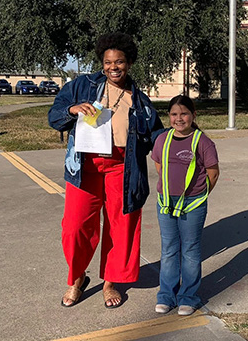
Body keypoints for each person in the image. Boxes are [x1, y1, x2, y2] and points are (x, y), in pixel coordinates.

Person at [48, 32, 163, 309]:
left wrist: (180, 150)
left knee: (121, 226)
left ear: (129, 63)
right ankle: (77, 278)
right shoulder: (82, 86)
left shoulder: (140, 100)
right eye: (109, 62)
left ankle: (111, 281)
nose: (114, 67)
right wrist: (72, 110)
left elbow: (156, 136)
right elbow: (55, 116)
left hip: (123, 168)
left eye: (120, 62)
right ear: (102, 63)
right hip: (85, 167)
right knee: (75, 227)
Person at [151, 95, 219, 316]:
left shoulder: (203, 142)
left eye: (184, 114)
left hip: (192, 204)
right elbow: (159, 165)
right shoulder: (162, 139)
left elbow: (213, 173)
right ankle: (167, 296)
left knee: (190, 250)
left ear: (193, 115)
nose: (179, 119)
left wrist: (198, 195)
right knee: (169, 249)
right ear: (168, 116)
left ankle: (188, 296)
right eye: (173, 114)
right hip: (166, 203)